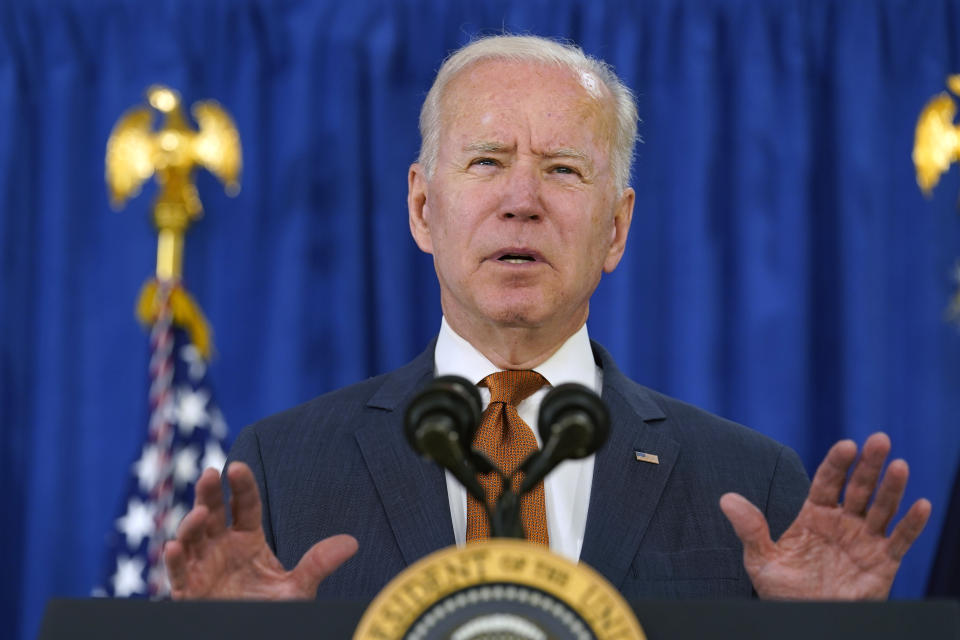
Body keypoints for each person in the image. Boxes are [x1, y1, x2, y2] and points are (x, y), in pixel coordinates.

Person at [163, 35, 931, 602]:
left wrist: (823, 633)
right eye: (487, 161)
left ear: (617, 229)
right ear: (423, 207)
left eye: (563, 169)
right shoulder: (285, 468)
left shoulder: (748, 481)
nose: (521, 200)